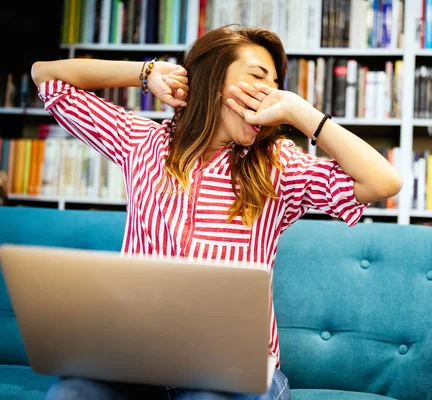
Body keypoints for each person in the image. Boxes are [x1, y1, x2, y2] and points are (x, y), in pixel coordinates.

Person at [31, 26, 402, 400]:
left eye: (275, 85)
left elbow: (383, 181)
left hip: (232, 371)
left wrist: (300, 111)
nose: (268, 93)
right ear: (210, 81)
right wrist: (147, 73)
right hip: (140, 360)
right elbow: (47, 77)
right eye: (257, 77)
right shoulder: (142, 144)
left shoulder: (278, 166)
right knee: (74, 392)